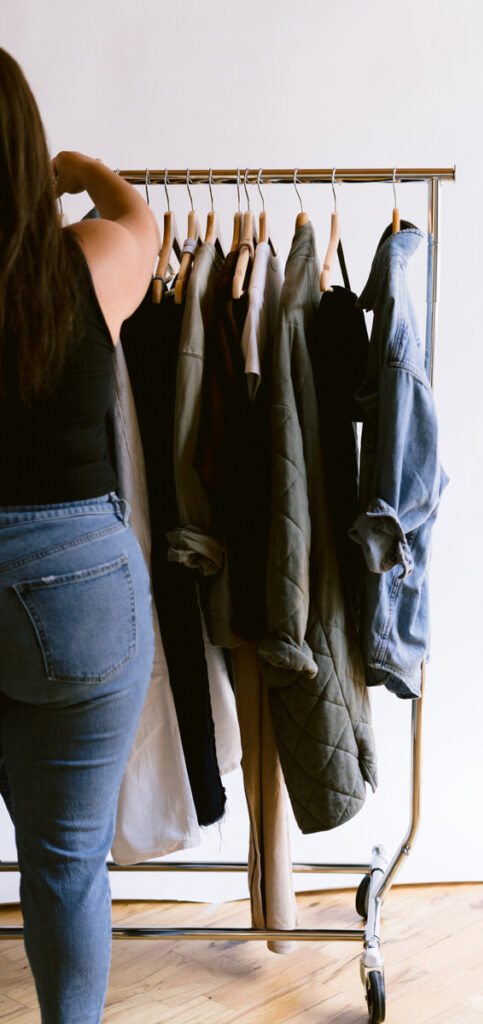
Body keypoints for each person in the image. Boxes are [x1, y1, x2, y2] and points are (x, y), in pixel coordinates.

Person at [0, 48, 160, 1023]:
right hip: (74, 584)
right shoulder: (84, 262)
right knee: (64, 868)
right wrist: (79, 173)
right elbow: (142, 222)